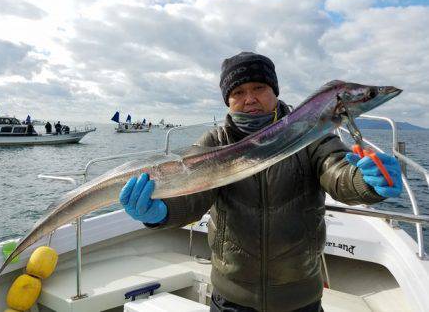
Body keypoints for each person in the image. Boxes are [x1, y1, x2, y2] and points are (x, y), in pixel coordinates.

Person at [119, 52, 403, 312]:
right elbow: (193, 197)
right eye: (239, 92)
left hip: (300, 298)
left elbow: (338, 172)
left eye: (259, 88)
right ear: (228, 101)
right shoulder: (216, 142)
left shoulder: (311, 134)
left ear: (274, 91)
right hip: (231, 298)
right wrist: (161, 212)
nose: (250, 98)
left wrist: (365, 182)